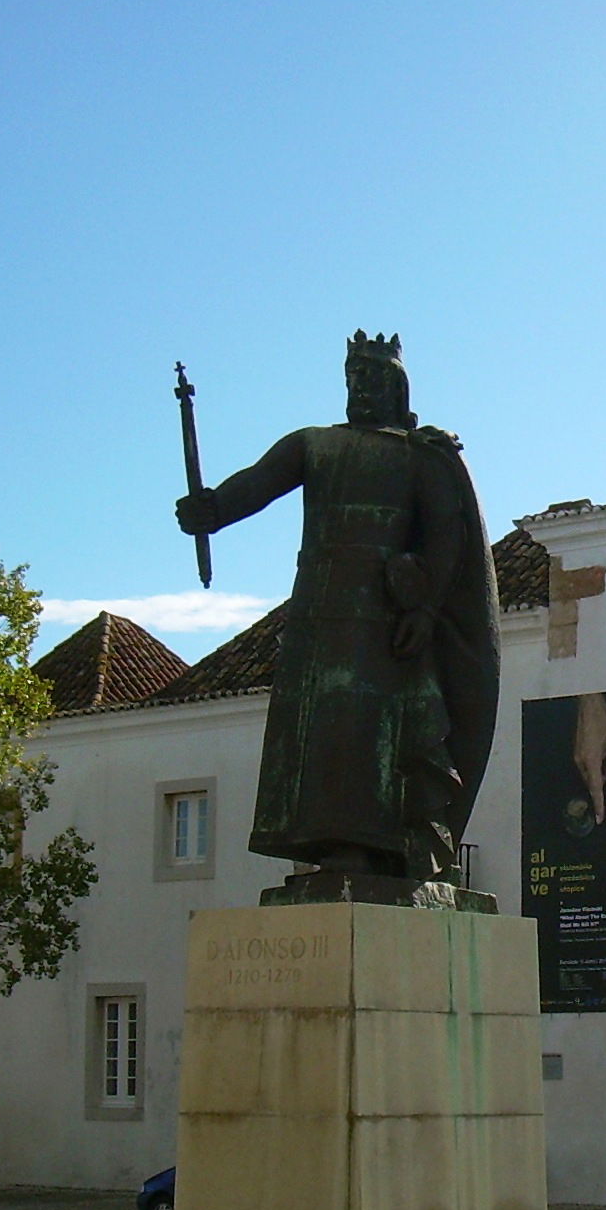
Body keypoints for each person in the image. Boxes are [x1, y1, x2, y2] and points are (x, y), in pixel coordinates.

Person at [176, 332, 498, 887]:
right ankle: (327, 845)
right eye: (354, 379)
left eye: (373, 379)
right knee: (316, 727)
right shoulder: (314, 444)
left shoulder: (421, 455)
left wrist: (424, 608)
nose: (361, 389)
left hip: (384, 617)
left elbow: (448, 535)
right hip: (316, 611)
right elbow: (257, 482)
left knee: (370, 728)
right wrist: (214, 509)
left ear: (398, 387)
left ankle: (377, 846)